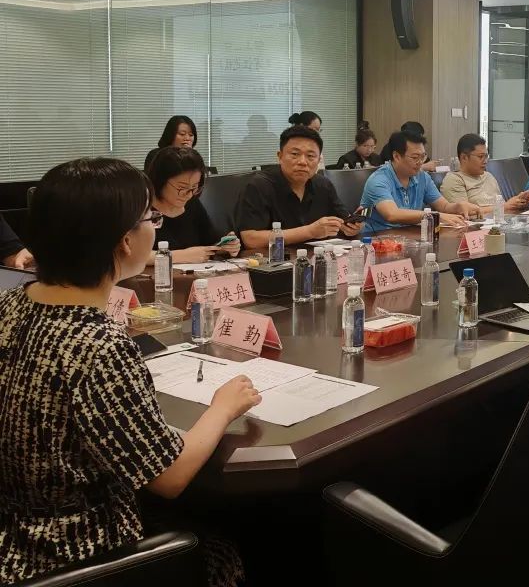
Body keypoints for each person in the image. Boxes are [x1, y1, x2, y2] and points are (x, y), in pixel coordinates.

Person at [0, 158, 260, 586]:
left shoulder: (12, 303)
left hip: (10, 529)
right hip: (71, 552)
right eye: (151, 218)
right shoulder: (98, 344)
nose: (156, 226)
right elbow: (170, 476)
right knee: (228, 550)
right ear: (124, 241)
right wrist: (223, 408)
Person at [234, 125, 363, 249]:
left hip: (315, 257)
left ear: (319, 161)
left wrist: (352, 227)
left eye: (310, 156)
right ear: (280, 156)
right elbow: (250, 239)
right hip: (272, 260)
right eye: (295, 154)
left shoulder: (324, 185)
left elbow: (343, 220)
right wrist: (310, 231)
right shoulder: (258, 186)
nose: (302, 162)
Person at [360, 130, 481, 233]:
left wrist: (458, 206)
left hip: (411, 236)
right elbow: (392, 214)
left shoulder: (422, 177)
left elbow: (443, 206)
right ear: (396, 156)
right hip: (378, 239)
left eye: (423, 157)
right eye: (415, 157)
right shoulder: (379, 180)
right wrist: (434, 216)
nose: (420, 163)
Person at [147, 147, 241, 264]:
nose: (188, 195)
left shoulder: (192, 204)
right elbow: (132, 255)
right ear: (161, 181)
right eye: (182, 188)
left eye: (194, 187)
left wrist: (224, 247)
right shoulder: (142, 208)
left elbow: (209, 243)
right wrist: (180, 256)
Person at [439, 134, 529, 212]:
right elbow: (464, 213)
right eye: (480, 157)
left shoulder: (488, 176)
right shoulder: (454, 180)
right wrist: (505, 206)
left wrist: (518, 203)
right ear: (464, 157)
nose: (485, 161)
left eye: (486, 156)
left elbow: (502, 206)